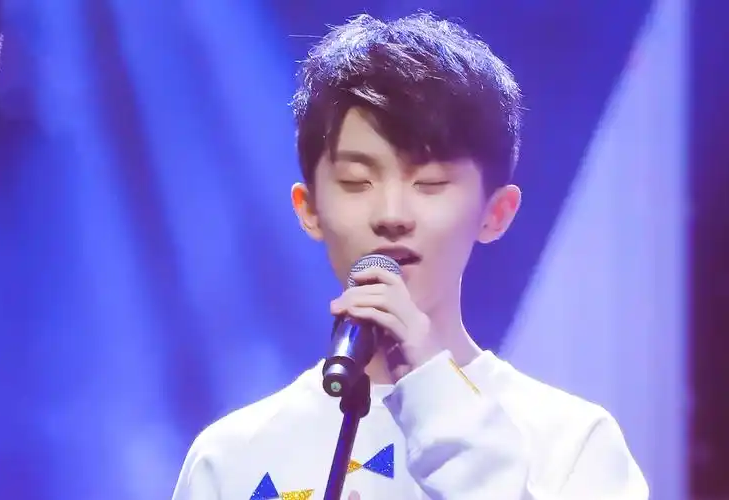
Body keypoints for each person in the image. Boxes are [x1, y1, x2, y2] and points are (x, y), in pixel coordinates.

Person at [172, 12, 648, 500]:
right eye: (357, 181)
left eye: (430, 183)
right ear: (309, 209)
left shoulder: (573, 445)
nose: (392, 215)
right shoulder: (230, 458)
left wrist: (429, 382)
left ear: (496, 212)